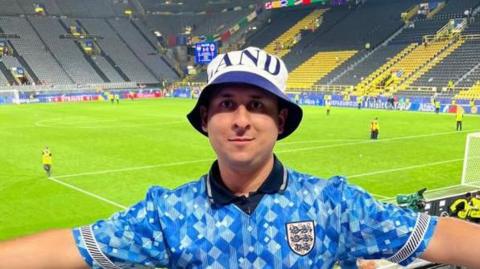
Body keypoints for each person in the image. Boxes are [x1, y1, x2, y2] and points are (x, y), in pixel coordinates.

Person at [2, 47, 480, 268]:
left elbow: (439, 237)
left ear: (281, 123)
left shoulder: (334, 204)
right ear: (206, 120)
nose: (241, 119)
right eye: (226, 104)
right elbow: (72, 247)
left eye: (258, 106)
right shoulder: (167, 214)